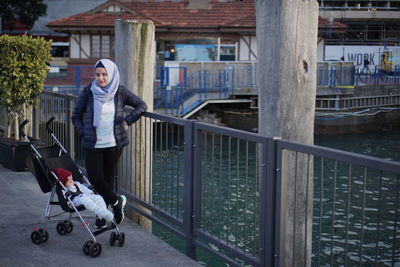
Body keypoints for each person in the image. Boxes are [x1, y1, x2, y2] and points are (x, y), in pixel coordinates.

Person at [71, 58, 147, 228]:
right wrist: (83, 132)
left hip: (114, 144)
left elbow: (141, 105)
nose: (101, 78)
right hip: (93, 144)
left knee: (107, 180)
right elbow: (75, 116)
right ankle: (116, 201)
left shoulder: (120, 92)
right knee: (96, 179)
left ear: (111, 74)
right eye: (97, 74)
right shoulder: (88, 92)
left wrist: (127, 121)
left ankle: (102, 214)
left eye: (104, 74)